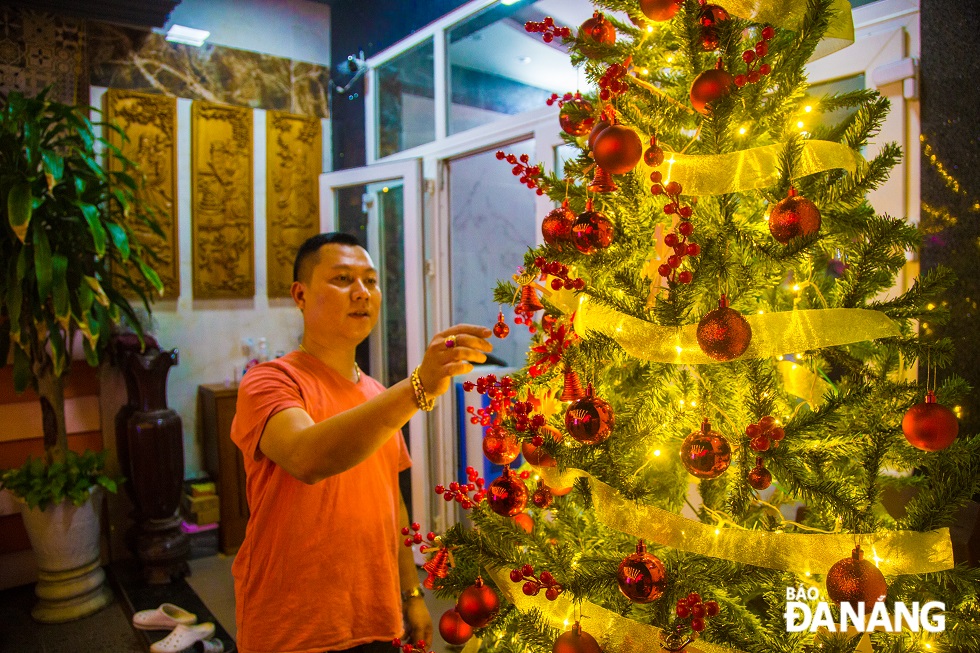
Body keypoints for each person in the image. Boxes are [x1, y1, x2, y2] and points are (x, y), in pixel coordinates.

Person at [230, 232, 493, 653]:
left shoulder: (375, 395)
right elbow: (306, 457)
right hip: (293, 624)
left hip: (373, 615)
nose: (361, 294)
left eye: (370, 281)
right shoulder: (271, 381)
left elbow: (392, 502)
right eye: (342, 280)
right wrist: (417, 387)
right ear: (300, 294)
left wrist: (411, 596)